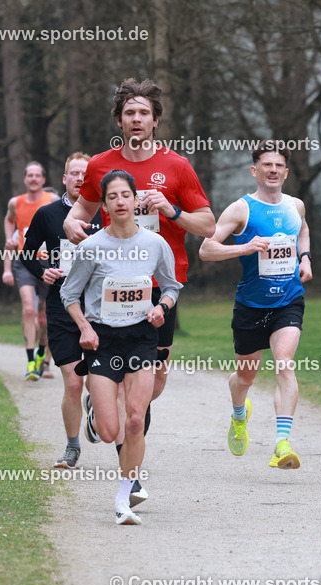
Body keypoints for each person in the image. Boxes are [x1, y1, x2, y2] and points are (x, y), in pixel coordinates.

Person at [63, 77, 215, 443]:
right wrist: (71, 226)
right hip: (111, 284)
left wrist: (173, 212)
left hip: (160, 286)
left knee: (154, 380)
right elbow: (79, 212)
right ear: (119, 121)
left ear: (155, 121)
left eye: (143, 113)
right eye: (129, 112)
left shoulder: (177, 166)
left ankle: (109, 416)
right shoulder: (101, 166)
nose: (136, 119)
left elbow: (208, 225)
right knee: (124, 387)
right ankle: (126, 470)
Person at [60, 170, 181, 524]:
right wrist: (84, 328)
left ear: (135, 199)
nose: (120, 202)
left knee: (134, 422)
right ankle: (96, 414)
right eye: (112, 197)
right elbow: (69, 294)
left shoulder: (156, 244)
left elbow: (172, 286)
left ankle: (123, 499)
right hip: (102, 338)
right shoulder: (90, 247)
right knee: (111, 431)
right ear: (104, 205)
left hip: (142, 337)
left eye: (125, 195)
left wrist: (162, 308)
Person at [198, 141, 312, 469]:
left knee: (284, 364)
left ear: (286, 172)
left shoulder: (296, 206)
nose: (273, 170)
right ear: (255, 170)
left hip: (288, 299)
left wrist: (304, 258)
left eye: (278, 166)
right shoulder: (240, 210)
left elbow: (303, 231)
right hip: (250, 305)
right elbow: (206, 250)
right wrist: (245, 248)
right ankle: (238, 414)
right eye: (266, 165)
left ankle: (281, 444)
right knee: (245, 377)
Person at [19, 152, 101, 468]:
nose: (81, 179)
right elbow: (27, 255)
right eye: (75, 174)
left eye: (86, 174)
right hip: (61, 304)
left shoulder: (106, 212)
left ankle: (98, 402)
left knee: (98, 377)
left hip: (99, 307)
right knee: (73, 381)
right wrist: (43, 271)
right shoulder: (47, 214)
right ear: (65, 179)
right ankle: (72, 448)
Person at [3, 161, 56, 381]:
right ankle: (30, 361)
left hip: (48, 263)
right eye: (30, 175)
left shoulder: (51, 200)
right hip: (24, 261)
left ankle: (44, 355)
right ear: (25, 179)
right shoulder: (15, 202)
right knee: (28, 309)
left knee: (45, 319)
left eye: (37, 175)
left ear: (43, 180)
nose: (33, 179)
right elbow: (8, 220)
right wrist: (8, 238)